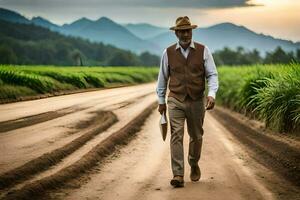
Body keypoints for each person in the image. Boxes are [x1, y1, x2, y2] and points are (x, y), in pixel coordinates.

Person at [156, 16, 219, 188]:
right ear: (176, 33)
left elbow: (212, 75)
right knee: (176, 134)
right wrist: (161, 101)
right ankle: (178, 174)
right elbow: (162, 78)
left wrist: (211, 94)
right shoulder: (167, 53)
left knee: (196, 136)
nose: (185, 34)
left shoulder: (203, 50)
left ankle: (193, 162)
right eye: (182, 31)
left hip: (197, 100)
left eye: (188, 31)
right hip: (175, 99)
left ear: (192, 31)